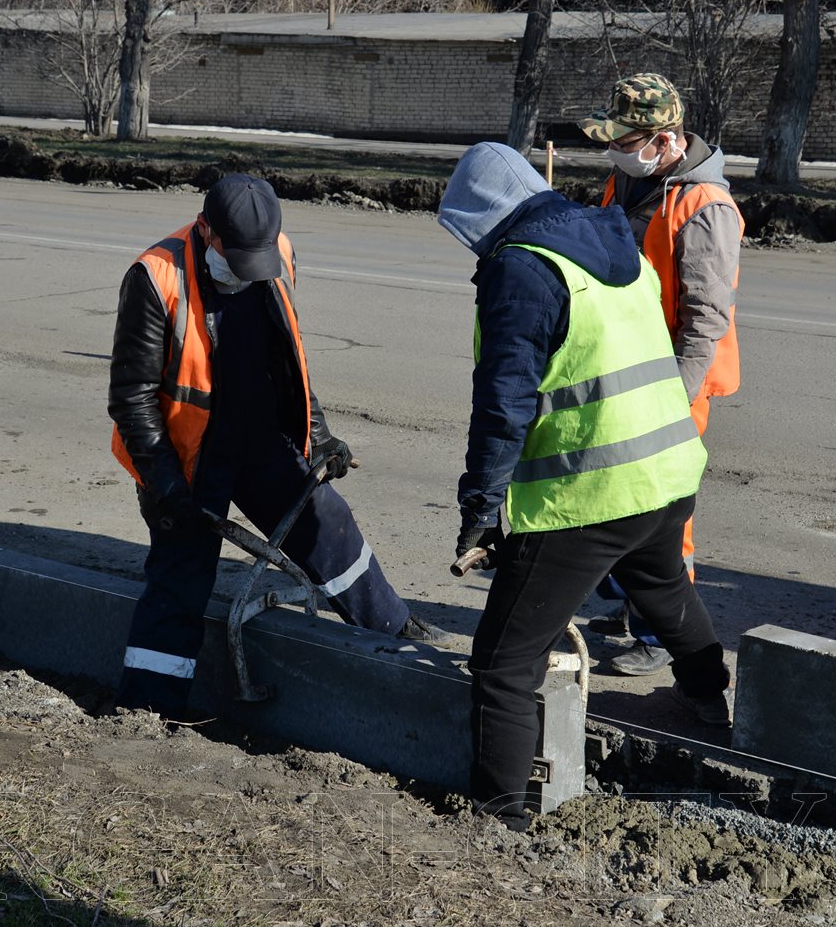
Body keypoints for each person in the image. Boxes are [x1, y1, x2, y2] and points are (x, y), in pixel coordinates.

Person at [438, 142, 732, 827]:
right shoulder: (606, 235)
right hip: (664, 471)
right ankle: (709, 698)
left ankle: (498, 820)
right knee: (663, 588)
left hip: (588, 498)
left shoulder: (522, 270)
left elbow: (503, 407)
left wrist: (481, 512)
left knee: (504, 664)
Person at [108, 173, 440, 716]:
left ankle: (396, 630)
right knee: (179, 582)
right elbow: (132, 399)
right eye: (237, 257)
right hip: (189, 461)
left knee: (329, 527)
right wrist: (166, 485)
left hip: (260, 440)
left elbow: (290, 360)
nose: (247, 270)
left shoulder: (277, 252)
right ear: (208, 231)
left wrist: (318, 435)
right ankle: (147, 708)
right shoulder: (155, 276)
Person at [578, 72, 745, 677]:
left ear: (667, 141)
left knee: (663, 512)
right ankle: (630, 607)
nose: (616, 152)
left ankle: (659, 633)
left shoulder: (706, 209)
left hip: (675, 381)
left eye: (628, 141)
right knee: (618, 497)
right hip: (625, 366)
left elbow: (705, 322)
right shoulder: (626, 181)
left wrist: (673, 402)